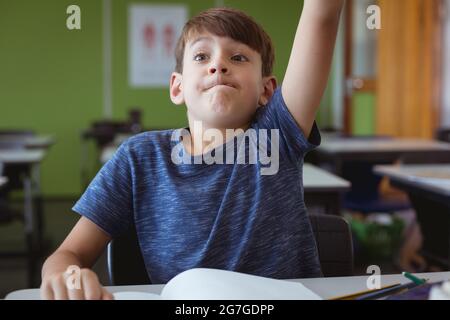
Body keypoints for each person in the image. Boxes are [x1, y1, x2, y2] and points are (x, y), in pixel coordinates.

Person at [40, 1, 344, 300]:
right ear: (178, 87)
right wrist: (67, 276)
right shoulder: (139, 157)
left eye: (238, 57)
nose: (218, 64)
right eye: (201, 56)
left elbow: (322, 16)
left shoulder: (277, 135)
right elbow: (69, 253)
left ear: (266, 90)